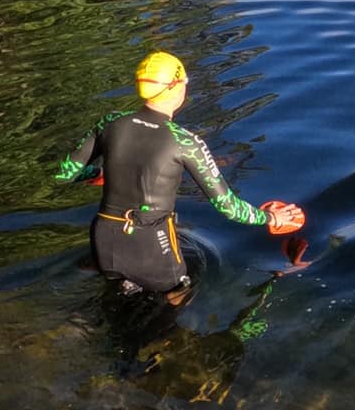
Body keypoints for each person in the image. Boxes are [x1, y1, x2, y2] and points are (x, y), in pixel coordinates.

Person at [55, 50, 304, 298]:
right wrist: (270, 218)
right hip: (151, 243)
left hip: (104, 237)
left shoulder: (109, 122)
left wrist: (99, 173)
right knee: (176, 302)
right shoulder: (185, 142)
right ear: (175, 87)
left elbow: (66, 173)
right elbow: (228, 207)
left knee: (114, 304)